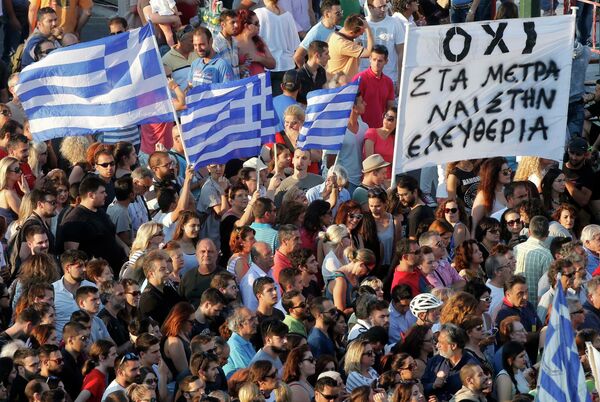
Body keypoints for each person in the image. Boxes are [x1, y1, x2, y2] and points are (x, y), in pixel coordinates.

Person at [57, 176, 127, 276]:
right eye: (102, 192)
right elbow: (71, 256)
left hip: (115, 271)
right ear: (91, 195)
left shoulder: (99, 211)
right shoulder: (75, 220)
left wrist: (124, 246)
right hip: (97, 277)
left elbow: (110, 233)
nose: (106, 195)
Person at [422, 324, 480, 401]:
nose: (437, 345)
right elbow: (423, 386)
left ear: (453, 346)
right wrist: (434, 385)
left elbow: (475, 395)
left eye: (441, 342)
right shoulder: (435, 362)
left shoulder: (473, 367)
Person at [254, 0, 300, 95]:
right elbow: (295, 45)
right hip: (287, 66)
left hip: (267, 67)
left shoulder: (258, 13)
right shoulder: (288, 16)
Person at [514, 215, 553, 305]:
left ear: (529, 232)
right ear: (547, 233)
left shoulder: (516, 248)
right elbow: (548, 286)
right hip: (536, 307)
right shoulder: (546, 255)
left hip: (516, 303)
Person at [138, 250, 184, 325]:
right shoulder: (149, 300)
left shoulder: (167, 290)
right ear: (151, 274)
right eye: (162, 269)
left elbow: (183, 306)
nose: (167, 271)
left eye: (166, 268)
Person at [354, 47, 395, 130]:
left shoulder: (388, 82)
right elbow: (352, 105)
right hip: (361, 129)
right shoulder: (360, 78)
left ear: (386, 61)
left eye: (380, 61)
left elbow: (390, 108)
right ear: (370, 59)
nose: (376, 63)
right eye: (374, 59)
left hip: (380, 129)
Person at [294, 0, 342, 67]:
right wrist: (308, 75)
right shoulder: (316, 32)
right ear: (327, 14)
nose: (341, 16)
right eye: (337, 14)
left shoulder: (339, 29)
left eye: (341, 12)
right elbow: (298, 56)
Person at [326, 14, 373, 79]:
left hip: (339, 81)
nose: (361, 35)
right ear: (351, 32)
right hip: (341, 84)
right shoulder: (343, 44)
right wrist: (368, 29)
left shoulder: (336, 35)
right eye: (360, 33)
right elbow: (369, 53)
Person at [471, 157, 511, 233]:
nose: (509, 173)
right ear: (494, 174)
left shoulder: (508, 190)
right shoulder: (483, 195)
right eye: (505, 172)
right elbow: (474, 224)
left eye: (509, 170)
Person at [179, 239, 223, 307]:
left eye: (210, 251)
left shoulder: (225, 277)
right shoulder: (187, 277)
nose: (206, 254)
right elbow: (179, 305)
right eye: (203, 251)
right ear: (196, 255)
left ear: (217, 254)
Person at [396, 174, 435, 240]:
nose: (401, 199)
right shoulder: (427, 208)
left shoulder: (415, 216)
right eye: (399, 195)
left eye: (405, 194)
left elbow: (412, 243)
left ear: (415, 192)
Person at [223, 307, 257, 378]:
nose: (256, 322)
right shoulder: (235, 345)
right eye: (251, 319)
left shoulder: (246, 341)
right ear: (240, 325)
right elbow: (249, 373)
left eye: (255, 318)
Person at [213, 10, 240, 79]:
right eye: (232, 22)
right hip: (224, 87)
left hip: (237, 85)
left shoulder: (235, 41)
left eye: (236, 22)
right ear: (223, 24)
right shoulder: (215, 43)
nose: (236, 25)